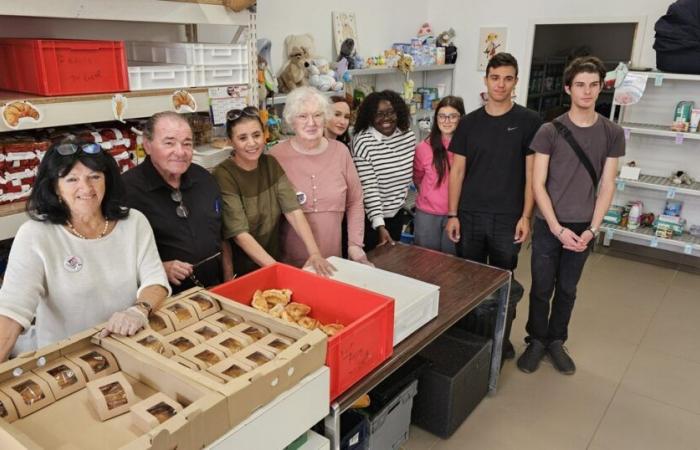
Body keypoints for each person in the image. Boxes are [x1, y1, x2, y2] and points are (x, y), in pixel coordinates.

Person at [0, 139, 170, 361]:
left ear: (107, 180)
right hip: (64, 363)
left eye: (95, 177)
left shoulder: (134, 222)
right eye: (72, 179)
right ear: (55, 188)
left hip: (126, 351)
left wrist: (139, 310)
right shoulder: (35, 234)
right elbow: (12, 312)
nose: (86, 188)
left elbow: (155, 281)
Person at [517, 56, 624, 375]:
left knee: (567, 288)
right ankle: (535, 340)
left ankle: (555, 341)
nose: (587, 91)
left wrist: (592, 229)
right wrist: (554, 226)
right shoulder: (550, 131)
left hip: (583, 227)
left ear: (601, 87)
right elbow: (537, 183)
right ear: (568, 89)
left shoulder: (612, 132)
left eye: (594, 85)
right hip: (550, 224)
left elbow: (608, 184)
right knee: (541, 286)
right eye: (580, 85)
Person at [445, 53, 543, 360]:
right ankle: (472, 338)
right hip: (470, 215)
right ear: (486, 79)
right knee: (469, 280)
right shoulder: (469, 124)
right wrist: (452, 214)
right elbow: (457, 172)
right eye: (495, 77)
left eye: (508, 78)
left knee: (504, 281)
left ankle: (500, 338)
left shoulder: (529, 122)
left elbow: (531, 174)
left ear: (516, 82)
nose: (501, 84)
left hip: (508, 217)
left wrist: (526, 216)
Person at [213, 106, 335, 277]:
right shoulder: (223, 174)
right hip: (241, 272)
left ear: (264, 135)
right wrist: (278, 269)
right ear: (231, 142)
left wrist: (314, 253)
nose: (252, 143)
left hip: (273, 262)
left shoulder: (270, 164)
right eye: (242, 138)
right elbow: (240, 234)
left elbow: (293, 211)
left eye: (256, 135)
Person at [123, 112, 223, 294]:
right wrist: (160, 267)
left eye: (187, 144)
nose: (180, 152)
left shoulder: (204, 178)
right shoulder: (125, 190)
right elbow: (115, 258)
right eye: (169, 143)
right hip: (163, 300)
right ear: (147, 145)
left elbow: (221, 236)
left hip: (214, 290)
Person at [270, 87, 369, 266]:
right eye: (303, 116)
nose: (311, 123)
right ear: (291, 121)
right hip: (290, 262)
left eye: (317, 115)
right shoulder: (275, 156)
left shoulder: (340, 152)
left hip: (334, 260)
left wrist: (355, 245)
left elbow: (355, 200)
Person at [352, 90, 416, 250]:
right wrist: (379, 226)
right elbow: (369, 188)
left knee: (391, 263)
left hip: (397, 214)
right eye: (379, 114)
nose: (386, 118)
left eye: (390, 112)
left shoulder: (408, 137)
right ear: (370, 117)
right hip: (371, 219)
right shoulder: (363, 142)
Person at [412, 95, 465, 254]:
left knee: (452, 264)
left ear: (461, 118)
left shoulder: (467, 146)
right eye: (442, 116)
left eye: (453, 116)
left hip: (457, 214)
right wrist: (430, 195)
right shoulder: (423, 147)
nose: (447, 121)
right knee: (425, 261)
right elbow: (418, 177)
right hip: (427, 214)